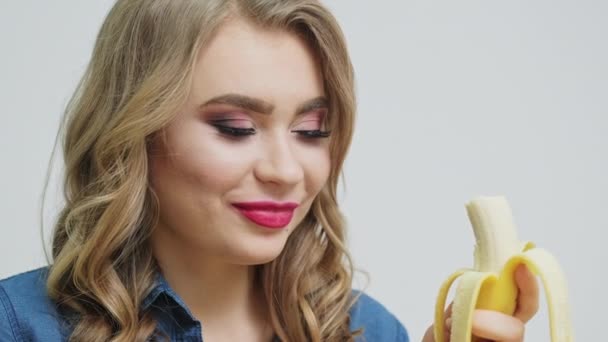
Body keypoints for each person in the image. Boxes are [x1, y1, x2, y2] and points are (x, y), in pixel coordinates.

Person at [0, 0, 539, 341]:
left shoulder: (370, 331)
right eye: (235, 126)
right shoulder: (18, 325)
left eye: (311, 131)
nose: (286, 171)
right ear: (134, 132)